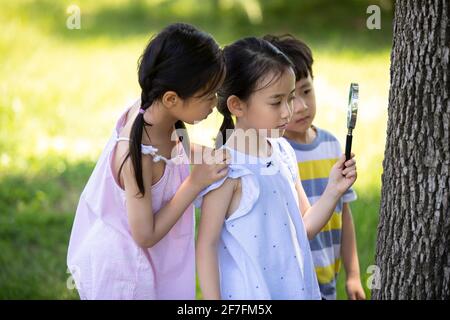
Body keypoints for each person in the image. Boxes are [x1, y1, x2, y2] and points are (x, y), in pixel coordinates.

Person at [67, 23, 228, 299]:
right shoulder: (140, 156)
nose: (214, 104)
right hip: (128, 277)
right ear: (172, 98)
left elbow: (178, 149)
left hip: (146, 265)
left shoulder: (151, 109)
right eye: (207, 96)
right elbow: (145, 234)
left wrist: (209, 154)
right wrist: (194, 183)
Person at [195, 37, 357, 300]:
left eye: (290, 98)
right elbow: (206, 246)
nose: (288, 111)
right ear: (237, 105)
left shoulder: (282, 151)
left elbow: (303, 228)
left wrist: (333, 191)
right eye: (276, 102)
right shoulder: (226, 169)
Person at [264, 34, 366, 300]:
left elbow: (344, 213)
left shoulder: (332, 146)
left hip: (328, 279)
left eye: (307, 91)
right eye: (288, 98)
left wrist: (353, 274)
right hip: (291, 282)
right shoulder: (275, 152)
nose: (301, 107)